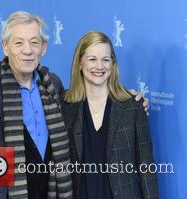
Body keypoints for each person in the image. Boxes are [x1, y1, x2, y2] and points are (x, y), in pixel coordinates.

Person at [0, 11, 148, 199]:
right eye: (19, 43)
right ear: (5, 46)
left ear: (43, 47)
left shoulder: (52, 85)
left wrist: (126, 99)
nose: (27, 50)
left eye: (34, 42)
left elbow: (89, 98)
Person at [64, 31, 159, 199]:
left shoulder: (132, 106)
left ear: (113, 64)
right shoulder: (64, 106)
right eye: (92, 59)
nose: (99, 66)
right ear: (80, 63)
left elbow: (146, 166)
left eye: (106, 59)